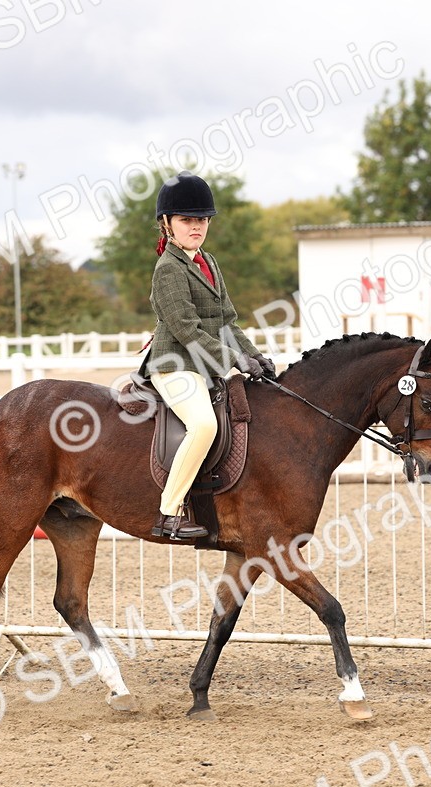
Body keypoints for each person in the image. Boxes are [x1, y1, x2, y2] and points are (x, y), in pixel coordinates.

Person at [138, 171, 274, 540]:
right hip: (175, 365)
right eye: (187, 220)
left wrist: (254, 355)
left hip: (203, 363)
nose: (196, 226)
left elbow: (227, 321)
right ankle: (169, 513)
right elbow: (187, 330)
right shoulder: (168, 269)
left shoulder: (208, 262)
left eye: (202, 220)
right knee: (203, 425)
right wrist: (233, 359)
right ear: (167, 223)